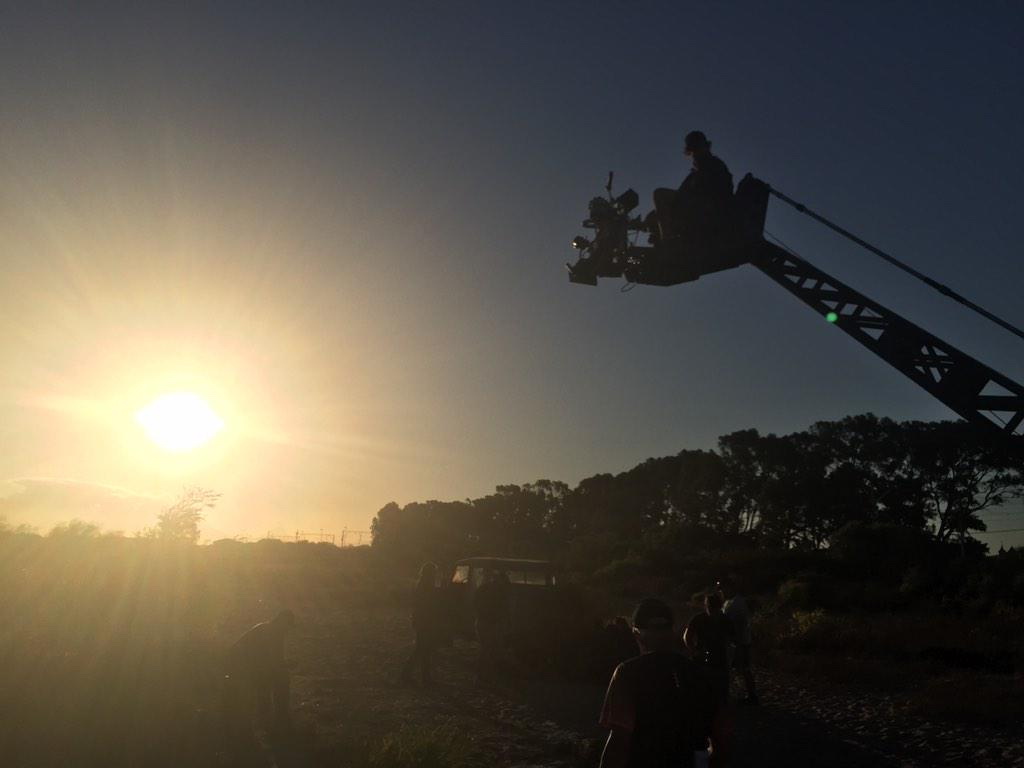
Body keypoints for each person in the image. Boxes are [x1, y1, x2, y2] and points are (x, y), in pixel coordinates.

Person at [598, 598, 718, 768]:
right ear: (672, 631)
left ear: (636, 633)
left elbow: (619, 739)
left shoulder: (627, 673)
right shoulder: (696, 672)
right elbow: (718, 736)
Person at [649, 130, 734, 244]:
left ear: (705, 147)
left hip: (706, 214)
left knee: (660, 194)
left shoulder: (714, 166)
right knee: (656, 211)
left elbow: (718, 195)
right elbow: (682, 195)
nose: (694, 155)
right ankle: (665, 238)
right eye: (693, 151)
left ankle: (668, 240)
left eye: (697, 149)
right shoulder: (696, 173)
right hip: (696, 212)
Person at [223, 609, 295, 743]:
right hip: (240, 666)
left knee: (274, 681)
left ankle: (272, 720)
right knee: (274, 683)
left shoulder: (269, 629)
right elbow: (273, 660)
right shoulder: (273, 632)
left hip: (245, 664)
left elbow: (275, 659)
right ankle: (274, 720)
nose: (288, 630)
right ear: (282, 622)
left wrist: (281, 668)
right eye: (288, 626)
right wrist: (281, 670)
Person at [683, 592, 734, 707]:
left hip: (720, 656)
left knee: (720, 686)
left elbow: (731, 639)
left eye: (714, 608)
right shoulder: (698, 619)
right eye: (710, 608)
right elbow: (687, 636)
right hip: (703, 656)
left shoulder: (725, 620)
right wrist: (694, 651)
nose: (712, 611)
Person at [401, 562, 442, 686]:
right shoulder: (426, 586)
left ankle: (418, 676)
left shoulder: (421, 585)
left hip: (422, 621)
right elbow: (429, 604)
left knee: (422, 649)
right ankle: (416, 676)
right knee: (423, 649)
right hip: (425, 621)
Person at [720, 579, 759, 705]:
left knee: (743, 668)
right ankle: (746, 694)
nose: (722, 592)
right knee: (740, 669)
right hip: (737, 641)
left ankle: (751, 695)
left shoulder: (737, 603)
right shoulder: (730, 602)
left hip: (740, 642)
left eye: (723, 589)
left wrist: (737, 641)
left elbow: (740, 623)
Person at [473, 569, 511, 685]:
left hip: (483, 621)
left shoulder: (483, 588)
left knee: (486, 648)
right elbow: (504, 608)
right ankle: (484, 674)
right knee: (489, 648)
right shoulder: (499, 592)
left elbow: (475, 603)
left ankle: (482, 674)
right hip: (491, 622)